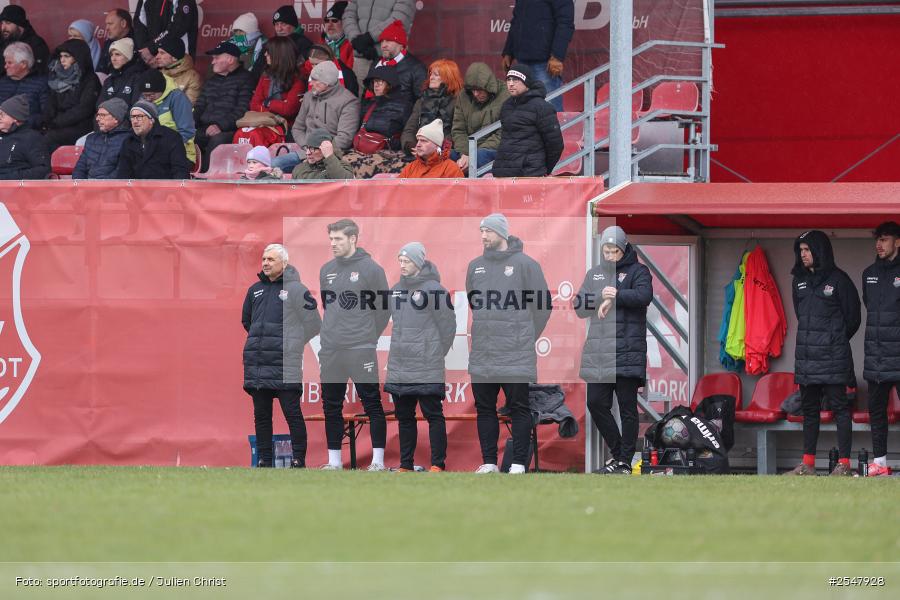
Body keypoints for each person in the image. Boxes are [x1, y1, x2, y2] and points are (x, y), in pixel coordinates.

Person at [465, 213, 552, 474]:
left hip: (516, 353)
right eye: (481, 231)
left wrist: (524, 334)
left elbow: (543, 306)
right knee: (485, 409)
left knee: (519, 408)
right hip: (483, 353)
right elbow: (474, 303)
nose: (483, 236)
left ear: (501, 233)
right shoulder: (475, 266)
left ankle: (517, 464)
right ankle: (489, 462)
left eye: (488, 231)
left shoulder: (526, 265)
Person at [574, 226, 653, 474]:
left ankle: (624, 462)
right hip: (600, 353)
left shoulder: (639, 271)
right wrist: (601, 296)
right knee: (596, 403)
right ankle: (620, 455)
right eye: (606, 251)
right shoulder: (595, 274)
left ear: (623, 248)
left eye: (614, 251)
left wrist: (616, 295)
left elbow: (644, 296)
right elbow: (579, 306)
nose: (609, 255)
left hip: (628, 351)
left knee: (628, 408)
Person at [785, 230, 861, 476]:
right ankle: (807, 464)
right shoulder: (798, 280)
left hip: (834, 358)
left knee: (840, 410)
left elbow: (853, 319)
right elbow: (801, 315)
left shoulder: (840, 280)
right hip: (807, 359)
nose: (803, 254)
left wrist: (833, 340)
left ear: (820, 251)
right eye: (801, 250)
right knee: (809, 411)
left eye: (807, 249)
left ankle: (844, 465)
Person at [318, 219, 390, 470]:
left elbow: (383, 309)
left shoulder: (372, 269)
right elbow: (329, 307)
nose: (333, 244)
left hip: (361, 348)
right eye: (331, 239)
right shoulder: (326, 270)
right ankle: (334, 462)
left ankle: (378, 462)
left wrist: (368, 335)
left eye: (338, 239)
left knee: (372, 403)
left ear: (353, 239)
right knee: (331, 406)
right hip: (331, 350)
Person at [242, 243, 322, 468]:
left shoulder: (297, 290)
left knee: (292, 413)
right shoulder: (254, 290)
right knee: (262, 416)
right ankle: (265, 460)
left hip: (286, 363)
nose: (266, 263)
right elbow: (248, 321)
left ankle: (298, 460)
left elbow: (314, 324)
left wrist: (291, 344)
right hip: (259, 363)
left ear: (284, 263)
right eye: (264, 259)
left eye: (271, 260)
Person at [385, 242, 455, 472]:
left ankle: (437, 464)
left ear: (418, 262)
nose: (402, 266)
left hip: (427, 364)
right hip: (400, 364)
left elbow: (448, 326)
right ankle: (406, 464)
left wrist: (434, 352)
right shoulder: (395, 289)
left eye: (407, 261)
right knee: (404, 417)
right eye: (400, 261)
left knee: (433, 415)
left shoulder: (435, 289)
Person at [861, 221, 900, 477]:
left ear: (898, 242)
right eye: (877, 239)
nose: (879, 244)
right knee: (876, 412)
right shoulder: (868, 273)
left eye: (884, 239)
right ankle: (880, 463)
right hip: (876, 356)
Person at [272, 61, 359, 173]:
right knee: (274, 164)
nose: (311, 83)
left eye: (315, 80)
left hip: (333, 155)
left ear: (327, 83)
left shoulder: (349, 101)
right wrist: (308, 149)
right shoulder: (309, 96)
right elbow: (298, 128)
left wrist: (321, 152)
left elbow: (344, 138)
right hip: (306, 152)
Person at [501, 0, 575, 112]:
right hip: (522, 62)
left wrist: (557, 56)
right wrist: (508, 51)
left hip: (545, 63)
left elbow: (565, 22)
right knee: (525, 113)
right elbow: (517, 20)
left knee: (549, 111)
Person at [492, 64, 563, 178]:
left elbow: (555, 145)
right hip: (503, 172)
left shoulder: (542, 107)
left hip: (529, 174)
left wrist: (542, 168)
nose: (510, 84)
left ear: (527, 83)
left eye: (516, 80)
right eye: (508, 80)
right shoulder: (506, 106)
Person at [192, 42, 254, 171]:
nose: (212, 62)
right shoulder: (211, 80)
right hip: (204, 127)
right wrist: (189, 124)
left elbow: (242, 110)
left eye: (216, 58)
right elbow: (199, 107)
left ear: (230, 59)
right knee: (185, 136)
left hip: (228, 129)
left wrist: (220, 126)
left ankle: (207, 181)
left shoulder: (246, 79)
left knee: (217, 140)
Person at [342, 65, 410, 178]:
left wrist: (394, 144)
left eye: (380, 82)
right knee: (340, 165)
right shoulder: (369, 104)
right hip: (362, 150)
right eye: (374, 82)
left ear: (390, 84)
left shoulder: (404, 106)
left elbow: (407, 133)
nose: (376, 85)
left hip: (388, 153)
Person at [43, 39, 102, 151]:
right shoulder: (58, 77)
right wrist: (47, 121)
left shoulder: (90, 80)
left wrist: (57, 122)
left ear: (78, 58)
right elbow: (51, 103)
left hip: (81, 126)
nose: (62, 60)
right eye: (61, 56)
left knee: (50, 138)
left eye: (67, 56)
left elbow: (84, 109)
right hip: (58, 125)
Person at [343, 0, 415, 90]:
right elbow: (348, 15)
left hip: (389, 59)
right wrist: (356, 40)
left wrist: (369, 37)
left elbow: (399, 19)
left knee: (388, 99)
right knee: (357, 100)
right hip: (361, 57)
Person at [452, 62, 509, 172]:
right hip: (467, 150)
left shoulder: (505, 95)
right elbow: (458, 130)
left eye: (479, 90)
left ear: (488, 86)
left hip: (494, 150)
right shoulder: (463, 96)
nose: (475, 94)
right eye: (472, 90)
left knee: (480, 156)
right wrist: (465, 153)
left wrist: (473, 155)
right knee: (445, 156)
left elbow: (503, 133)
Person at [400, 59, 462, 156]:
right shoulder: (421, 101)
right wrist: (411, 146)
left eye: (436, 75)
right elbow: (409, 129)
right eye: (431, 74)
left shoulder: (458, 102)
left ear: (448, 78)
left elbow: (458, 132)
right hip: (419, 151)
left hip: (445, 152)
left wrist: (434, 147)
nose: (431, 77)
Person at [246, 36, 304, 140]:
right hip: (264, 123)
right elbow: (254, 105)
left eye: (268, 52)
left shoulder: (297, 79)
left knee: (256, 135)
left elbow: (288, 110)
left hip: (286, 128)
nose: (265, 54)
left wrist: (267, 103)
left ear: (279, 54)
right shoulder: (265, 76)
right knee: (243, 134)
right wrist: (277, 106)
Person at [116, 99, 192, 179]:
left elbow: (180, 171)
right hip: (137, 190)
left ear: (151, 119)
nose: (134, 121)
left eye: (139, 117)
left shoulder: (171, 138)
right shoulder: (128, 141)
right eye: (132, 117)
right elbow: (123, 174)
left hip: (165, 189)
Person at [138, 69, 196, 165]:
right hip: (149, 152)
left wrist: (163, 149)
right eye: (145, 95)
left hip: (180, 153)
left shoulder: (177, 98)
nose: (148, 98)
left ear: (162, 89)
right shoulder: (143, 100)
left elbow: (187, 131)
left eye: (151, 95)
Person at [365, 20, 426, 107]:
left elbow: (422, 102)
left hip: (400, 118)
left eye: (389, 41)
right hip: (374, 116)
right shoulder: (376, 64)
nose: (383, 45)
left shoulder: (416, 68)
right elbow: (366, 98)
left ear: (401, 45)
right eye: (382, 41)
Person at [72, 99, 131, 179]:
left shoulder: (128, 140)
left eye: (102, 115)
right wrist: (80, 186)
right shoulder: (91, 139)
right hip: (86, 188)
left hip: (112, 189)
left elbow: (121, 172)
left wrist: (100, 187)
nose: (97, 119)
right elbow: (80, 168)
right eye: (98, 115)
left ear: (116, 119)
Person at [0, 95, 50, 180]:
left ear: (15, 118)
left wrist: (8, 179)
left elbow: (43, 170)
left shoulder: (31, 139)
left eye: (2, 115)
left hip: (16, 189)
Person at [0, 43, 48, 130]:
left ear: (23, 64)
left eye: (9, 63)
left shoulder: (41, 84)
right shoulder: (2, 82)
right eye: (5, 62)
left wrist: (20, 123)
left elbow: (45, 114)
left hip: (26, 132)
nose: (5, 66)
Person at [133, 0, 198, 63]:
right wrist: (146, 51)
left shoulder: (186, 2)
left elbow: (175, 29)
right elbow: (139, 26)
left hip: (178, 57)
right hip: (152, 55)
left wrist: (151, 48)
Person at [398, 119, 464, 178]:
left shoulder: (452, 169)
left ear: (436, 145)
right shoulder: (410, 168)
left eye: (423, 141)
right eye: (418, 140)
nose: (418, 145)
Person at [0, 5, 49, 74]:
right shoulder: (3, 41)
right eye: (2, 23)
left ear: (19, 25)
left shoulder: (37, 44)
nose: (3, 28)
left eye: (8, 23)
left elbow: (41, 70)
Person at [96, 38, 145, 107]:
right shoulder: (109, 80)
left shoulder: (138, 78)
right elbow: (99, 106)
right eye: (111, 55)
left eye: (117, 54)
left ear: (128, 56)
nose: (113, 58)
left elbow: (136, 108)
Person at [155, 34, 201, 104]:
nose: (157, 57)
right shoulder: (157, 74)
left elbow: (186, 106)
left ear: (174, 57)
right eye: (158, 52)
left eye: (162, 53)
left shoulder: (192, 77)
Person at [97, 8, 133, 74]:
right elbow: (101, 70)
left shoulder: (138, 41)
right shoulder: (108, 43)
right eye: (106, 24)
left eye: (110, 24)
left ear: (123, 23)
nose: (107, 28)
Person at [322, 2, 353, 69]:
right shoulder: (321, 44)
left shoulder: (351, 45)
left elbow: (349, 73)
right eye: (327, 20)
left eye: (334, 21)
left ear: (344, 23)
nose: (330, 25)